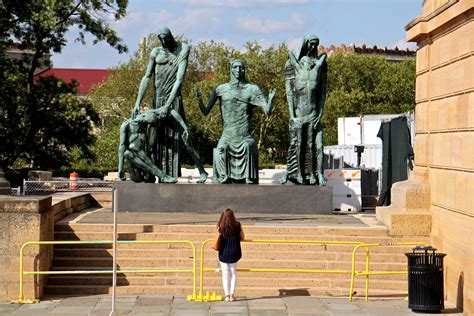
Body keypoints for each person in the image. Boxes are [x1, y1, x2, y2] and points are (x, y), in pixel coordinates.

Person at [132, 27, 208, 183]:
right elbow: (147, 77)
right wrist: (137, 103)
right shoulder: (155, 52)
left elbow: (179, 80)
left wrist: (168, 104)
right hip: (157, 100)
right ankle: (151, 174)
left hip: (173, 101)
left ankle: (202, 171)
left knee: (185, 137)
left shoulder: (183, 49)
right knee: (152, 141)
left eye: (166, 38)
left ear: (171, 37)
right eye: (161, 39)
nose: (163, 42)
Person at [195, 59, 276, 184]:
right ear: (231, 69)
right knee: (221, 149)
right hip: (227, 135)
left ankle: (248, 177)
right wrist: (200, 101)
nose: (238, 70)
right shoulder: (221, 89)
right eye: (236, 67)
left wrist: (270, 100)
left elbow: (267, 112)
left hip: (244, 136)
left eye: (241, 67)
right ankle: (224, 176)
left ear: (244, 70)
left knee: (247, 146)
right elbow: (206, 112)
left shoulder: (252, 89)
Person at [280, 34, 328, 186]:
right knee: (298, 145)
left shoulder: (318, 66)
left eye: (316, 45)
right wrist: (292, 115)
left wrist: (320, 114)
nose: (313, 48)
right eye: (311, 44)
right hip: (299, 115)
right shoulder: (294, 65)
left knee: (317, 145)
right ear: (305, 44)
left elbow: (322, 92)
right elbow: (289, 92)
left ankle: (319, 173)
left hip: (314, 114)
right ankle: (294, 172)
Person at [117, 108, 191, 183]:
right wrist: (120, 169)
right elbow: (122, 147)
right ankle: (163, 176)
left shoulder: (147, 117)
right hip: (134, 162)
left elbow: (170, 110)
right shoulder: (126, 125)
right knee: (128, 153)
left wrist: (185, 127)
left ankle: (157, 175)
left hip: (144, 157)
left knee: (144, 156)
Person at [216, 208, 244, 302]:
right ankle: (232, 295)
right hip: (235, 253)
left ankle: (227, 295)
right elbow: (242, 237)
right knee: (233, 274)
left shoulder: (221, 226)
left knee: (225, 274)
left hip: (224, 253)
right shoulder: (238, 225)